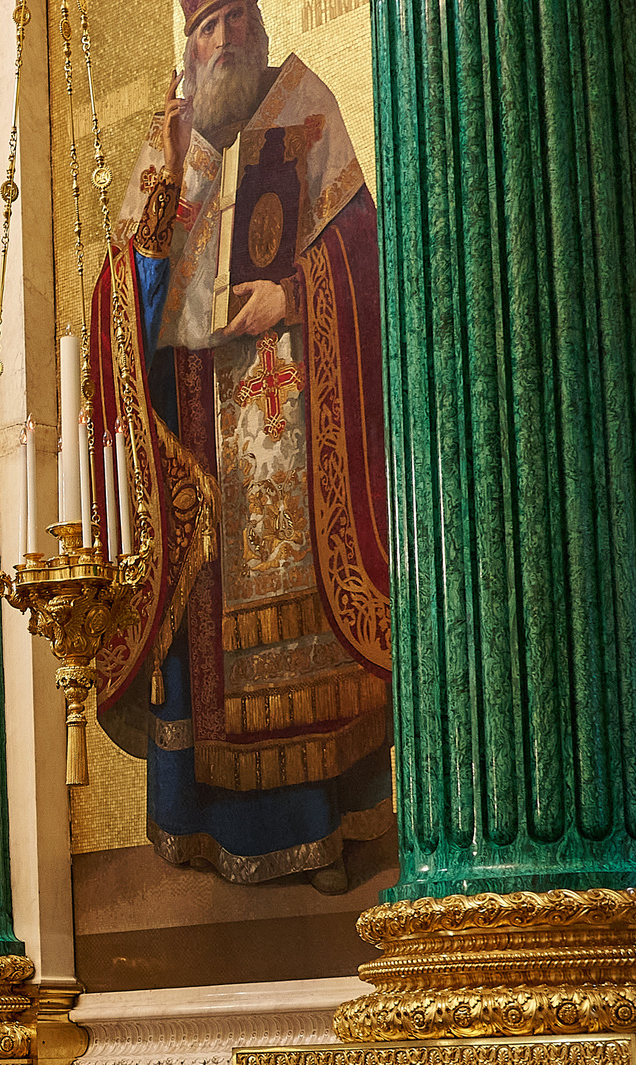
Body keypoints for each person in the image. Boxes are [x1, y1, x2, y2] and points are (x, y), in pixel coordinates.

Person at [91, 0, 393, 891]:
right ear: (188, 43)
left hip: (293, 424)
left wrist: (292, 298)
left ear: (260, 24)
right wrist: (162, 210)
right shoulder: (166, 144)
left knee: (301, 635)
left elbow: (364, 256)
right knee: (204, 632)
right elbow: (122, 299)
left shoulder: (307, 110)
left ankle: (322, 829)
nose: (225, 39)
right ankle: (210, 832)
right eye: (207, 23)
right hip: (195, 433)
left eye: (237, 16)